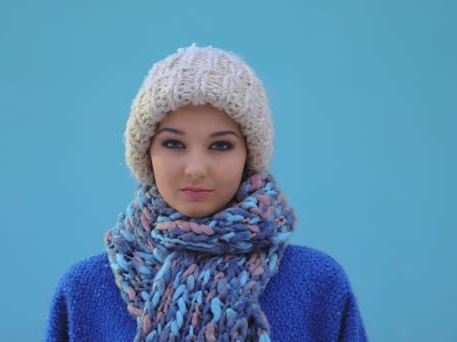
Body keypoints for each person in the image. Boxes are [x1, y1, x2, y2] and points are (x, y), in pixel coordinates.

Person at [45, 44, 367, 341]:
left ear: (248, 157)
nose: (196, 167)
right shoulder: (84, 292)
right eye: (173, 143)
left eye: (221, 145)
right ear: (147, 154)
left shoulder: (317, 286)